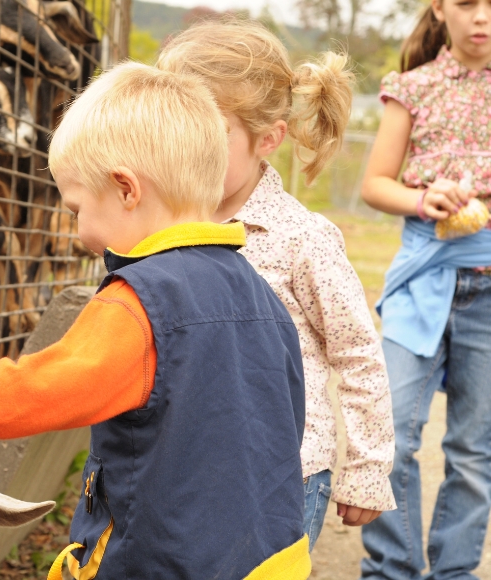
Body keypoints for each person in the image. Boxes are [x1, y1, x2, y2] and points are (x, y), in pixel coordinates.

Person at [0, 61, 312, 578]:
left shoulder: (139, 302)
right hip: (270, 557)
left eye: (76, 206)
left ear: (126, 189)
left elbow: (38, 392)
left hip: (165, 562)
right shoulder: (261, 294)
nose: (77, 230)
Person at [156, 18, 398, 552]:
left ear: (268, 138)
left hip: (283, 475)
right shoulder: (157, 228)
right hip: (187, 471)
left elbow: (357, 354)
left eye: (208, 131)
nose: (184, 147)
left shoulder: (301, 239)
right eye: (173, 125)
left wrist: (366, 468)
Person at [354, 0, 491, 576]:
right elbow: (374, 183)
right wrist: (421, 199)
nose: (481, 16)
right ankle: (393, 568)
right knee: (392, 437)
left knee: (473, 452)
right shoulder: (413, 86)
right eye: (466, 3)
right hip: (422, 282)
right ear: (440, 7)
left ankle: (455, 572)